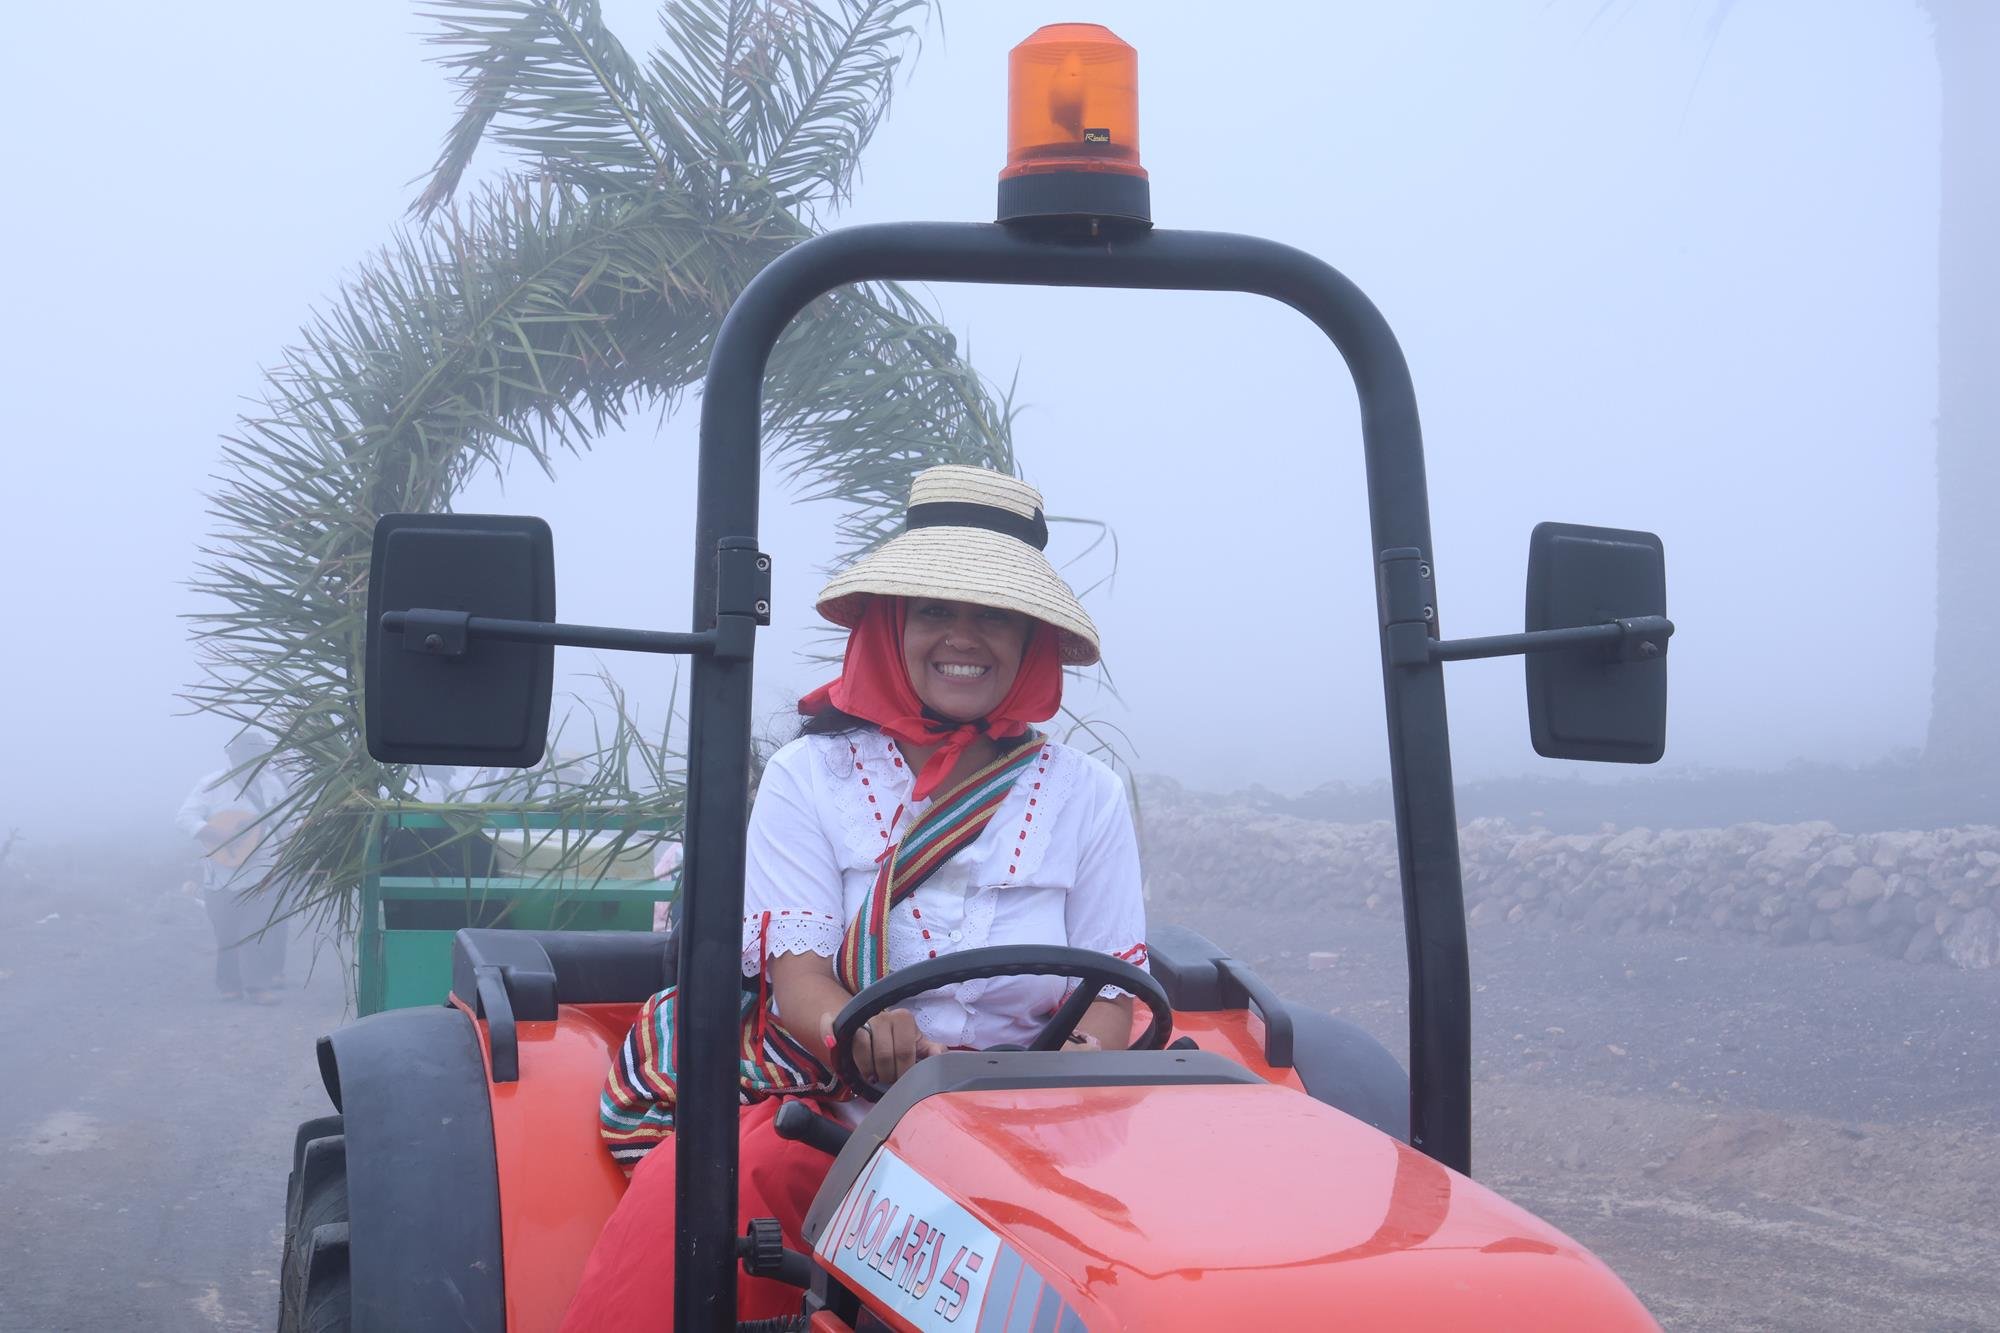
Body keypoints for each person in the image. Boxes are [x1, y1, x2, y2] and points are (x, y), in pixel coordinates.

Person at [563, 465, 1150, 1327]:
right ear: (890, 624)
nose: (964, 636)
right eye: (935, 609)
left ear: (1031, 637)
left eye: (991, 613)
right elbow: (798, 983)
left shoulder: (1087, 795)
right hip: (851, 1118)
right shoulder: (814, 777)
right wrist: (863, 1026)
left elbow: (1109, 994)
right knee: (695, 1202)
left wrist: (1083, 1064)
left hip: (1036, 1129)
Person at [175, 732, 293, 1003]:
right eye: (244, 755)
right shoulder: (212, 784)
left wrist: (290, 844)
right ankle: (229, 984)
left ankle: (257, 986)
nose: (250, 761)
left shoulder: (271, 784)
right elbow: (185, 817)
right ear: (232, 756)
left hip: (265, 869)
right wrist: (214, 834)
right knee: (226, 932)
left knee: (256, 928)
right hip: (221, 873)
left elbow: (287, 819)